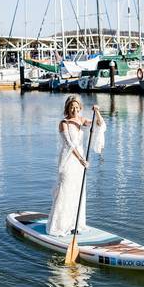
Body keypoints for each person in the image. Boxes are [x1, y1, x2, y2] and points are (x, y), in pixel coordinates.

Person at [47, 95, 105, 236]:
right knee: (65, 190)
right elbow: (69, 145)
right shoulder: (64, 123)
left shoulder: (82, 120)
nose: (75, 109)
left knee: (77, 191)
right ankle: (59, 226)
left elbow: (99, 124)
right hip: (68, 160)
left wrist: (97, 111)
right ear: (67, 108)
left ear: (80, 108)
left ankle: (75, 224)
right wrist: (81, 160)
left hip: (80, 162)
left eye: (77, 107)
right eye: (72, 107)